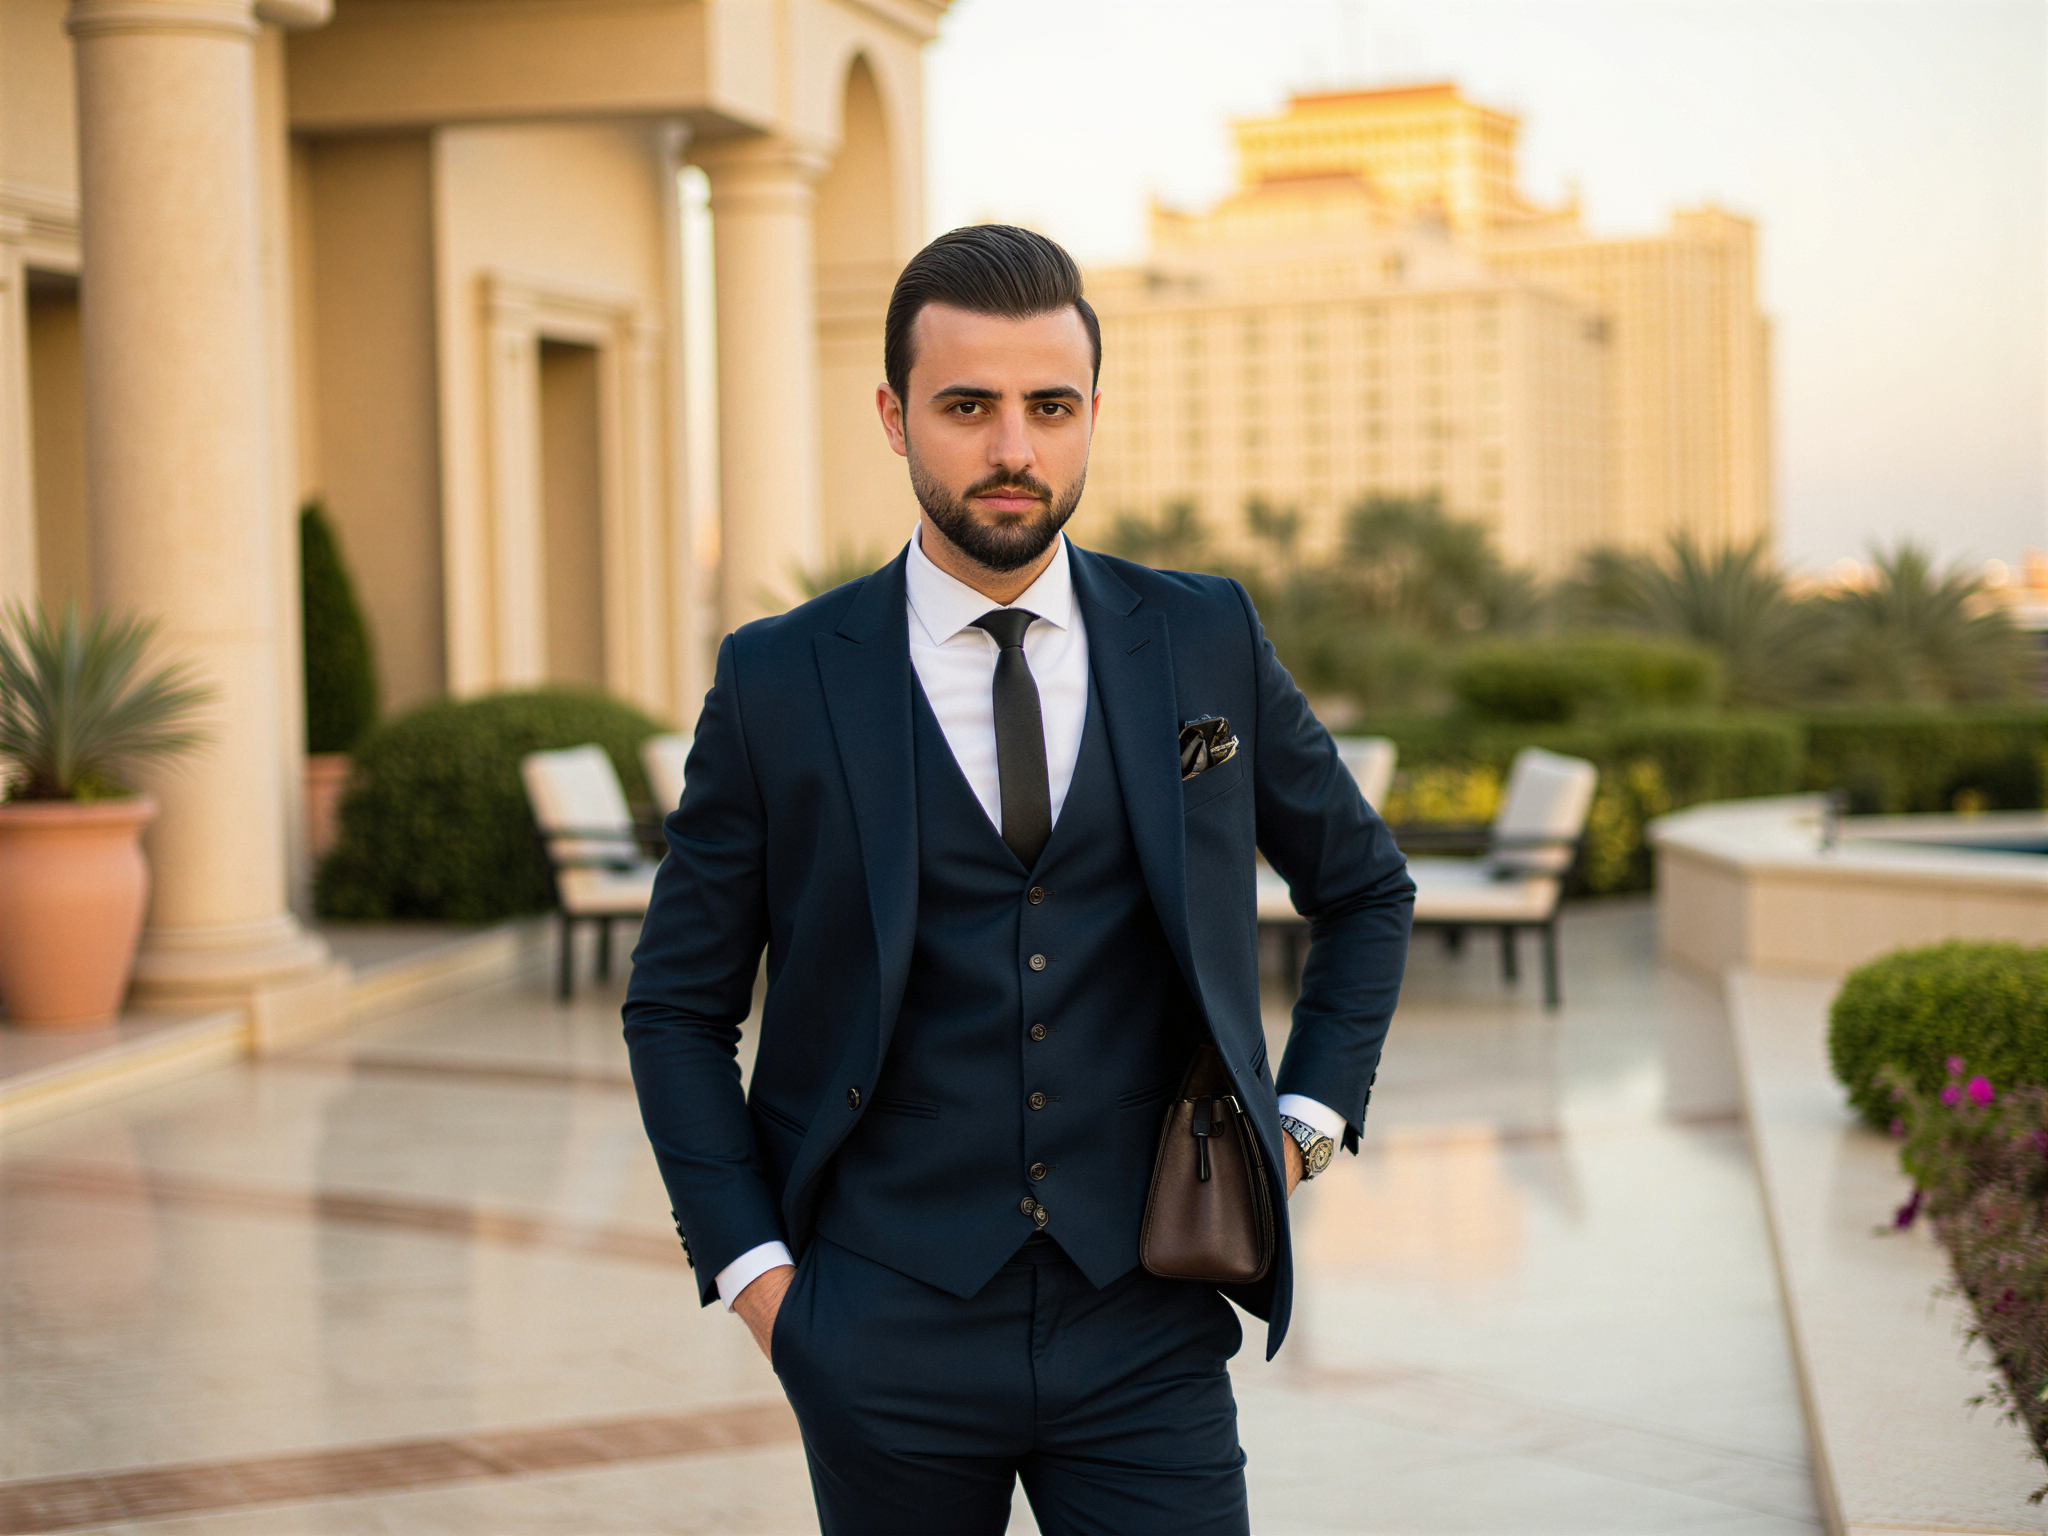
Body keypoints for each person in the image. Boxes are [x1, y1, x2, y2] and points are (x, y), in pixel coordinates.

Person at [624, 224, 1413, 1536]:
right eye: (967, 407)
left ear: (1094, 411)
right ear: (894, 417)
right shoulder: (781, 678)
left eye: (1051, 407)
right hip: (877, 1322)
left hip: (1147, 1311)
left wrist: (1307, 1126)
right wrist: (763, 1284)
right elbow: (677, 1008)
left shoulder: (1202, 636)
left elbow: (1365, 890)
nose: (1013, 450)